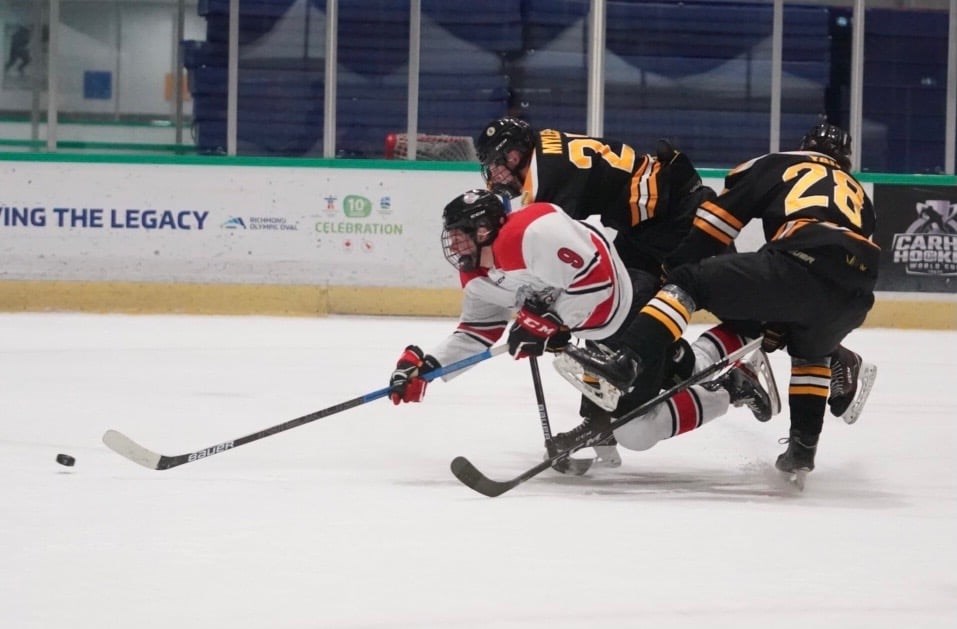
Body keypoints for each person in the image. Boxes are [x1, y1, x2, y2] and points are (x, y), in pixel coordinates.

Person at [475, 117, 875, 429]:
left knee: (741, 312)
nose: (498, 174)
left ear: (517, 153)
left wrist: (545, 306)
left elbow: (557, 241)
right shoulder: (547, 150)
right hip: (650, 223)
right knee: (624, 304)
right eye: (492, 167)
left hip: (678, 218)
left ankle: (805, 362)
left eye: (500, 162)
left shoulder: (542, 174)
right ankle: (598, 415)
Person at [562, 120, 878, 480]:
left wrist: (677, 266)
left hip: (798, 265)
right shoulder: (861, 196)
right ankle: (802, 451)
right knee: (810, 354)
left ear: (805, 145)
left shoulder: (782, 161)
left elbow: (717, 222)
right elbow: (842, 259)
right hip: (855, 295)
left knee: (689, 281)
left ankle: (626, 363)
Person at [387, 189, 779, 460]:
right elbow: (476, 334)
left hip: (633, 309)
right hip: (600, 334)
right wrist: (429, 367)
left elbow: (600, 282)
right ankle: (731, 358)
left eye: (459, 236)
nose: (454, 246)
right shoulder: (479, 277)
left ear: (484, 229)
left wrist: (550, 323)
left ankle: (730, 387)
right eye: (451, 238)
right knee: (676, 371)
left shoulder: (533, 232)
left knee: (637, 432)